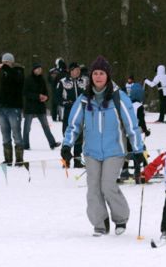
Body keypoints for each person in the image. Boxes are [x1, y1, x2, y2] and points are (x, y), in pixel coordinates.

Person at [61, 55, 144, 236]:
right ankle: (100, 223)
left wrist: (138, 150)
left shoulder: (118, 97)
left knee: (107, 186)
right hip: (91, 152)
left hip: (114, 150)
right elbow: (73, 124)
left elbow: (131, 125)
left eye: (102, 73)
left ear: (107, 76)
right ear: (91, 76)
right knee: (93, 188)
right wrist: (67, 145)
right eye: (95, 73)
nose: (98, 77)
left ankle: (120, 219)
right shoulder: (84, 98)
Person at [56, 62, 88, 167]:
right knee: (67, 134)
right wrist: (66, 103)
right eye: (75, 70)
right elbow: (57, 97)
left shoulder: (85, 81)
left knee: (79, 135)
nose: (78, 71)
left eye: (79, 69)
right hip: (68, 112)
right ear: (70, 71)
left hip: (81, 111)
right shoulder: (62, 82)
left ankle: (77, 160)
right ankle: (66, 159)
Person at [0, 52, 25, 166]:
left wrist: (6, 68)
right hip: (3, 108)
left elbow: (18, 81)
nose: (4, 65)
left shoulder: (18, 71)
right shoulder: (4, 74)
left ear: (11, 62)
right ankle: (7, 159)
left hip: (14, 108)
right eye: (3, 63)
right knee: (5, 134)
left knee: (16, 134)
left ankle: (19, 160)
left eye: (6, 62)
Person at [22, 63, 60, 150]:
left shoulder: (42, 80)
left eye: (40, 69)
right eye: (37, 69)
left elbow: (46, 92)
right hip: (30, 107)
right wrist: (37, 96)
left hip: (40, 107)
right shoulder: (28, 79)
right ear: (33, 70)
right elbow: (25, 93)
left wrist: (46, 98)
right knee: (27, 127)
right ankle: (25, 144)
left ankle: (52, 143)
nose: (39, 70)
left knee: (46, 126)